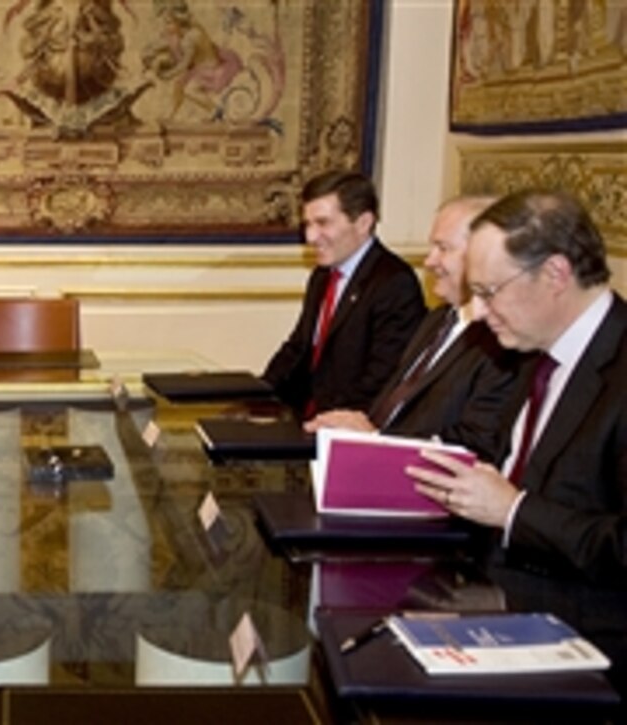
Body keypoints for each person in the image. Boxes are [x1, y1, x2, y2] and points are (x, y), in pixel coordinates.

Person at [406, 190, 627, 696]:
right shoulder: (531, 354)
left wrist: (514, 511)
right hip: (490, 600)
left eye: (489, 291)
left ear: (555, 274)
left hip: (590, 644)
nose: (479, 313)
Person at [306, 196, 524, 462]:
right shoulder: (437, 320)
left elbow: (477, 446)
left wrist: (375, 441)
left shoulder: (503, 342)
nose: (429, 262)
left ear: (483, 255)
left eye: (443, 248)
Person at [262, 170, 425, 416]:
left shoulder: (394, 282)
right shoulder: (322, 276)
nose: (310, 237)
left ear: (363, 223)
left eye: (323, 223)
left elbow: (383, 379)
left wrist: (324, 426)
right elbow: (298, 349)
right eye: (307, 224)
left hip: (347, 427)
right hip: (305, 417)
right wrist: (258, 396)